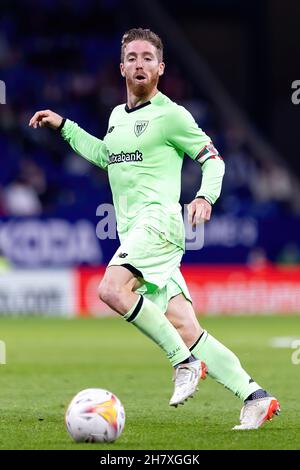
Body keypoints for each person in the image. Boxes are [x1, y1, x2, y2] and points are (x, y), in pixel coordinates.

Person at [29, 28, 280, 429]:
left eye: (148, 57)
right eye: (132, 57)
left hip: (159, 223)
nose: (140, 63)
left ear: (161, 68)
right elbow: (104, 155)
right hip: (136, 233)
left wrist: (205, 197)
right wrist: (65, 127)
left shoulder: (172, 115)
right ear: (122, 67)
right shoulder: (116, 117)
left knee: (111, 289)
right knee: (186, 327)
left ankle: (183, 364)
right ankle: (255, 396)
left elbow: (212, 158)